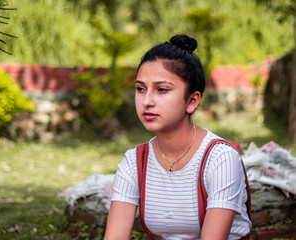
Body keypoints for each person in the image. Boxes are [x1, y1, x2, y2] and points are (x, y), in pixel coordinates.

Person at [104, 34, 252, 240]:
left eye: (162, 89)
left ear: (192, 101)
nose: (147, 101)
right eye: (140, 89)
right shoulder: (135, 162)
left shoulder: (220, 159)